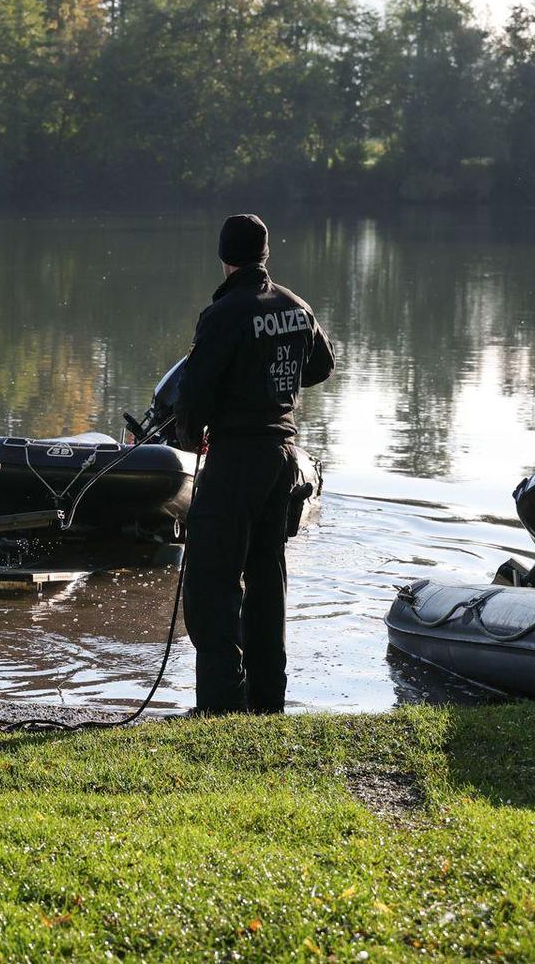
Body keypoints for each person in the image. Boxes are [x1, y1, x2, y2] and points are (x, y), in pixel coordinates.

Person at [176, 214, 334, 715]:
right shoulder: (295, 307)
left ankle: (222, 702)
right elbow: (322, 365)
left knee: (212, 580)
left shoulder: (223, 313)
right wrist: (273, 382)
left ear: (225, 258)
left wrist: (191, 435)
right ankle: (267, 701)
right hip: (282, 459)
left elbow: (194, 391)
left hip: (237, 458)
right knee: (267, 579)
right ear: (265, 255)